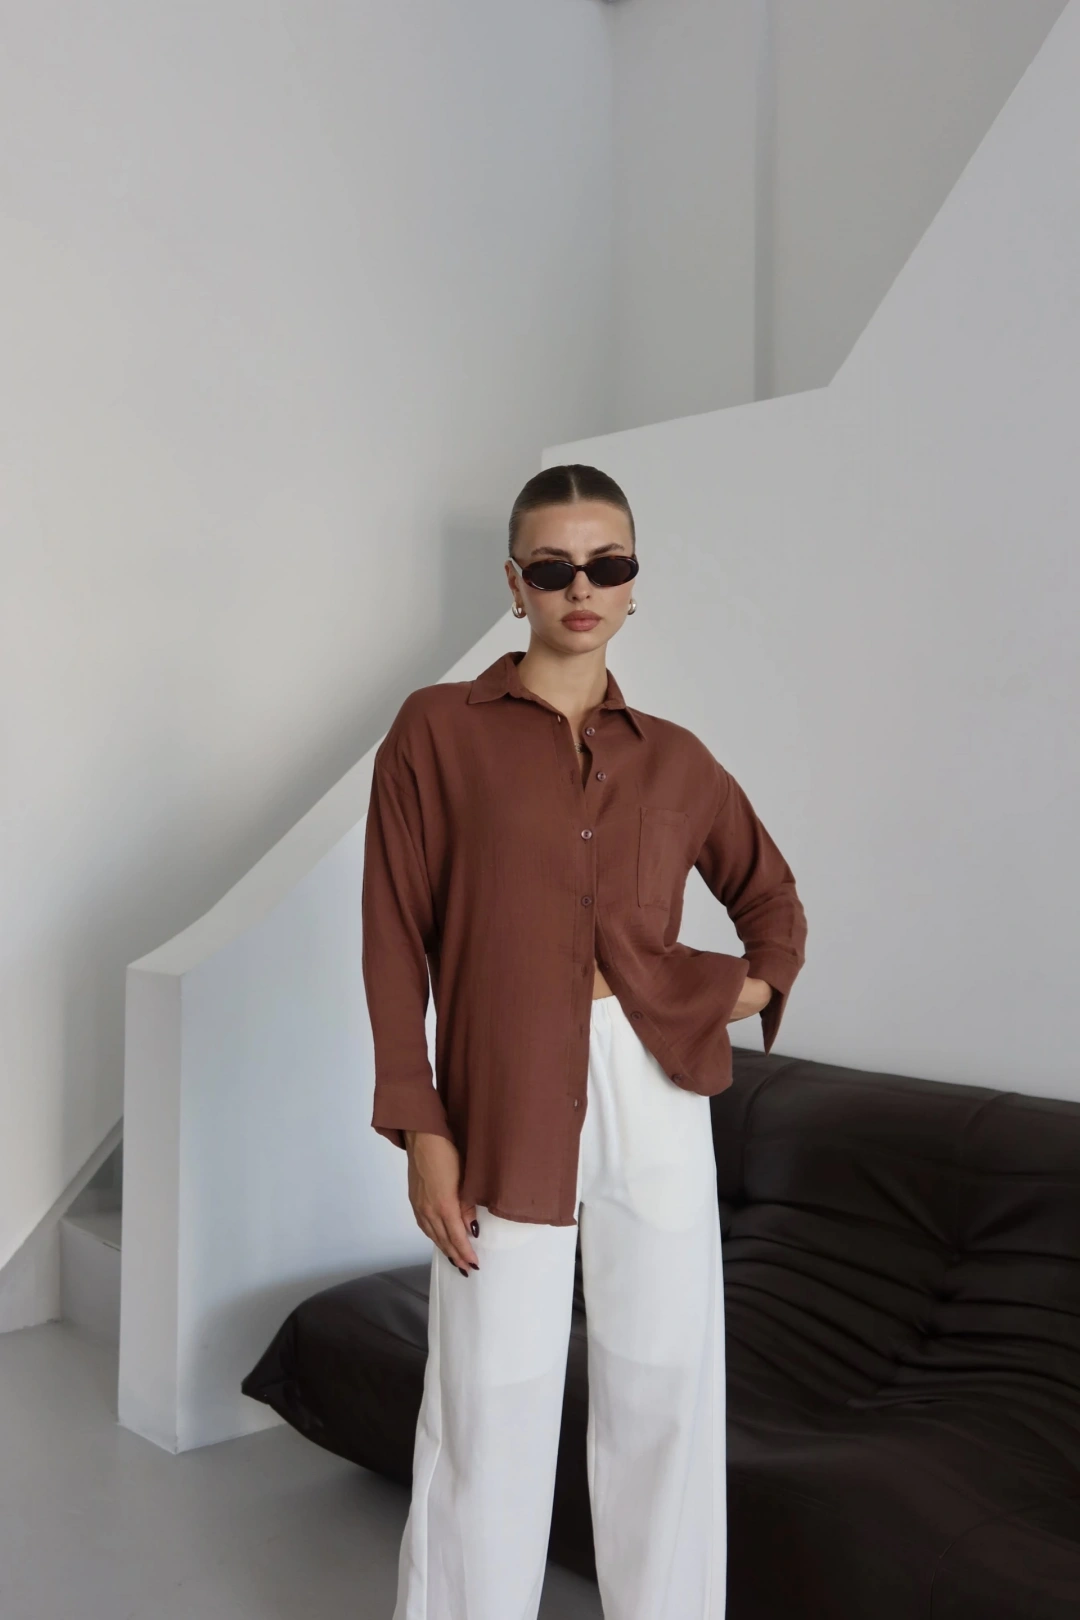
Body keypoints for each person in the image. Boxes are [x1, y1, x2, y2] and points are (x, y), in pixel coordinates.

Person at [361, 463, 808, 1620]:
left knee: (664, 1395)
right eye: (554, 567)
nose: (581, 588)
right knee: (489, 1398)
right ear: (515, 583)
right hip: (503, 1095)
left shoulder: (678, 758)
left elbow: (771, 903)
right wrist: (420, 1124)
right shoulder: (435, 732)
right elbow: (392, 940)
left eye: (607, 565)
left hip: (653, 1091)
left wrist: (737, 991)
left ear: (633, 583)